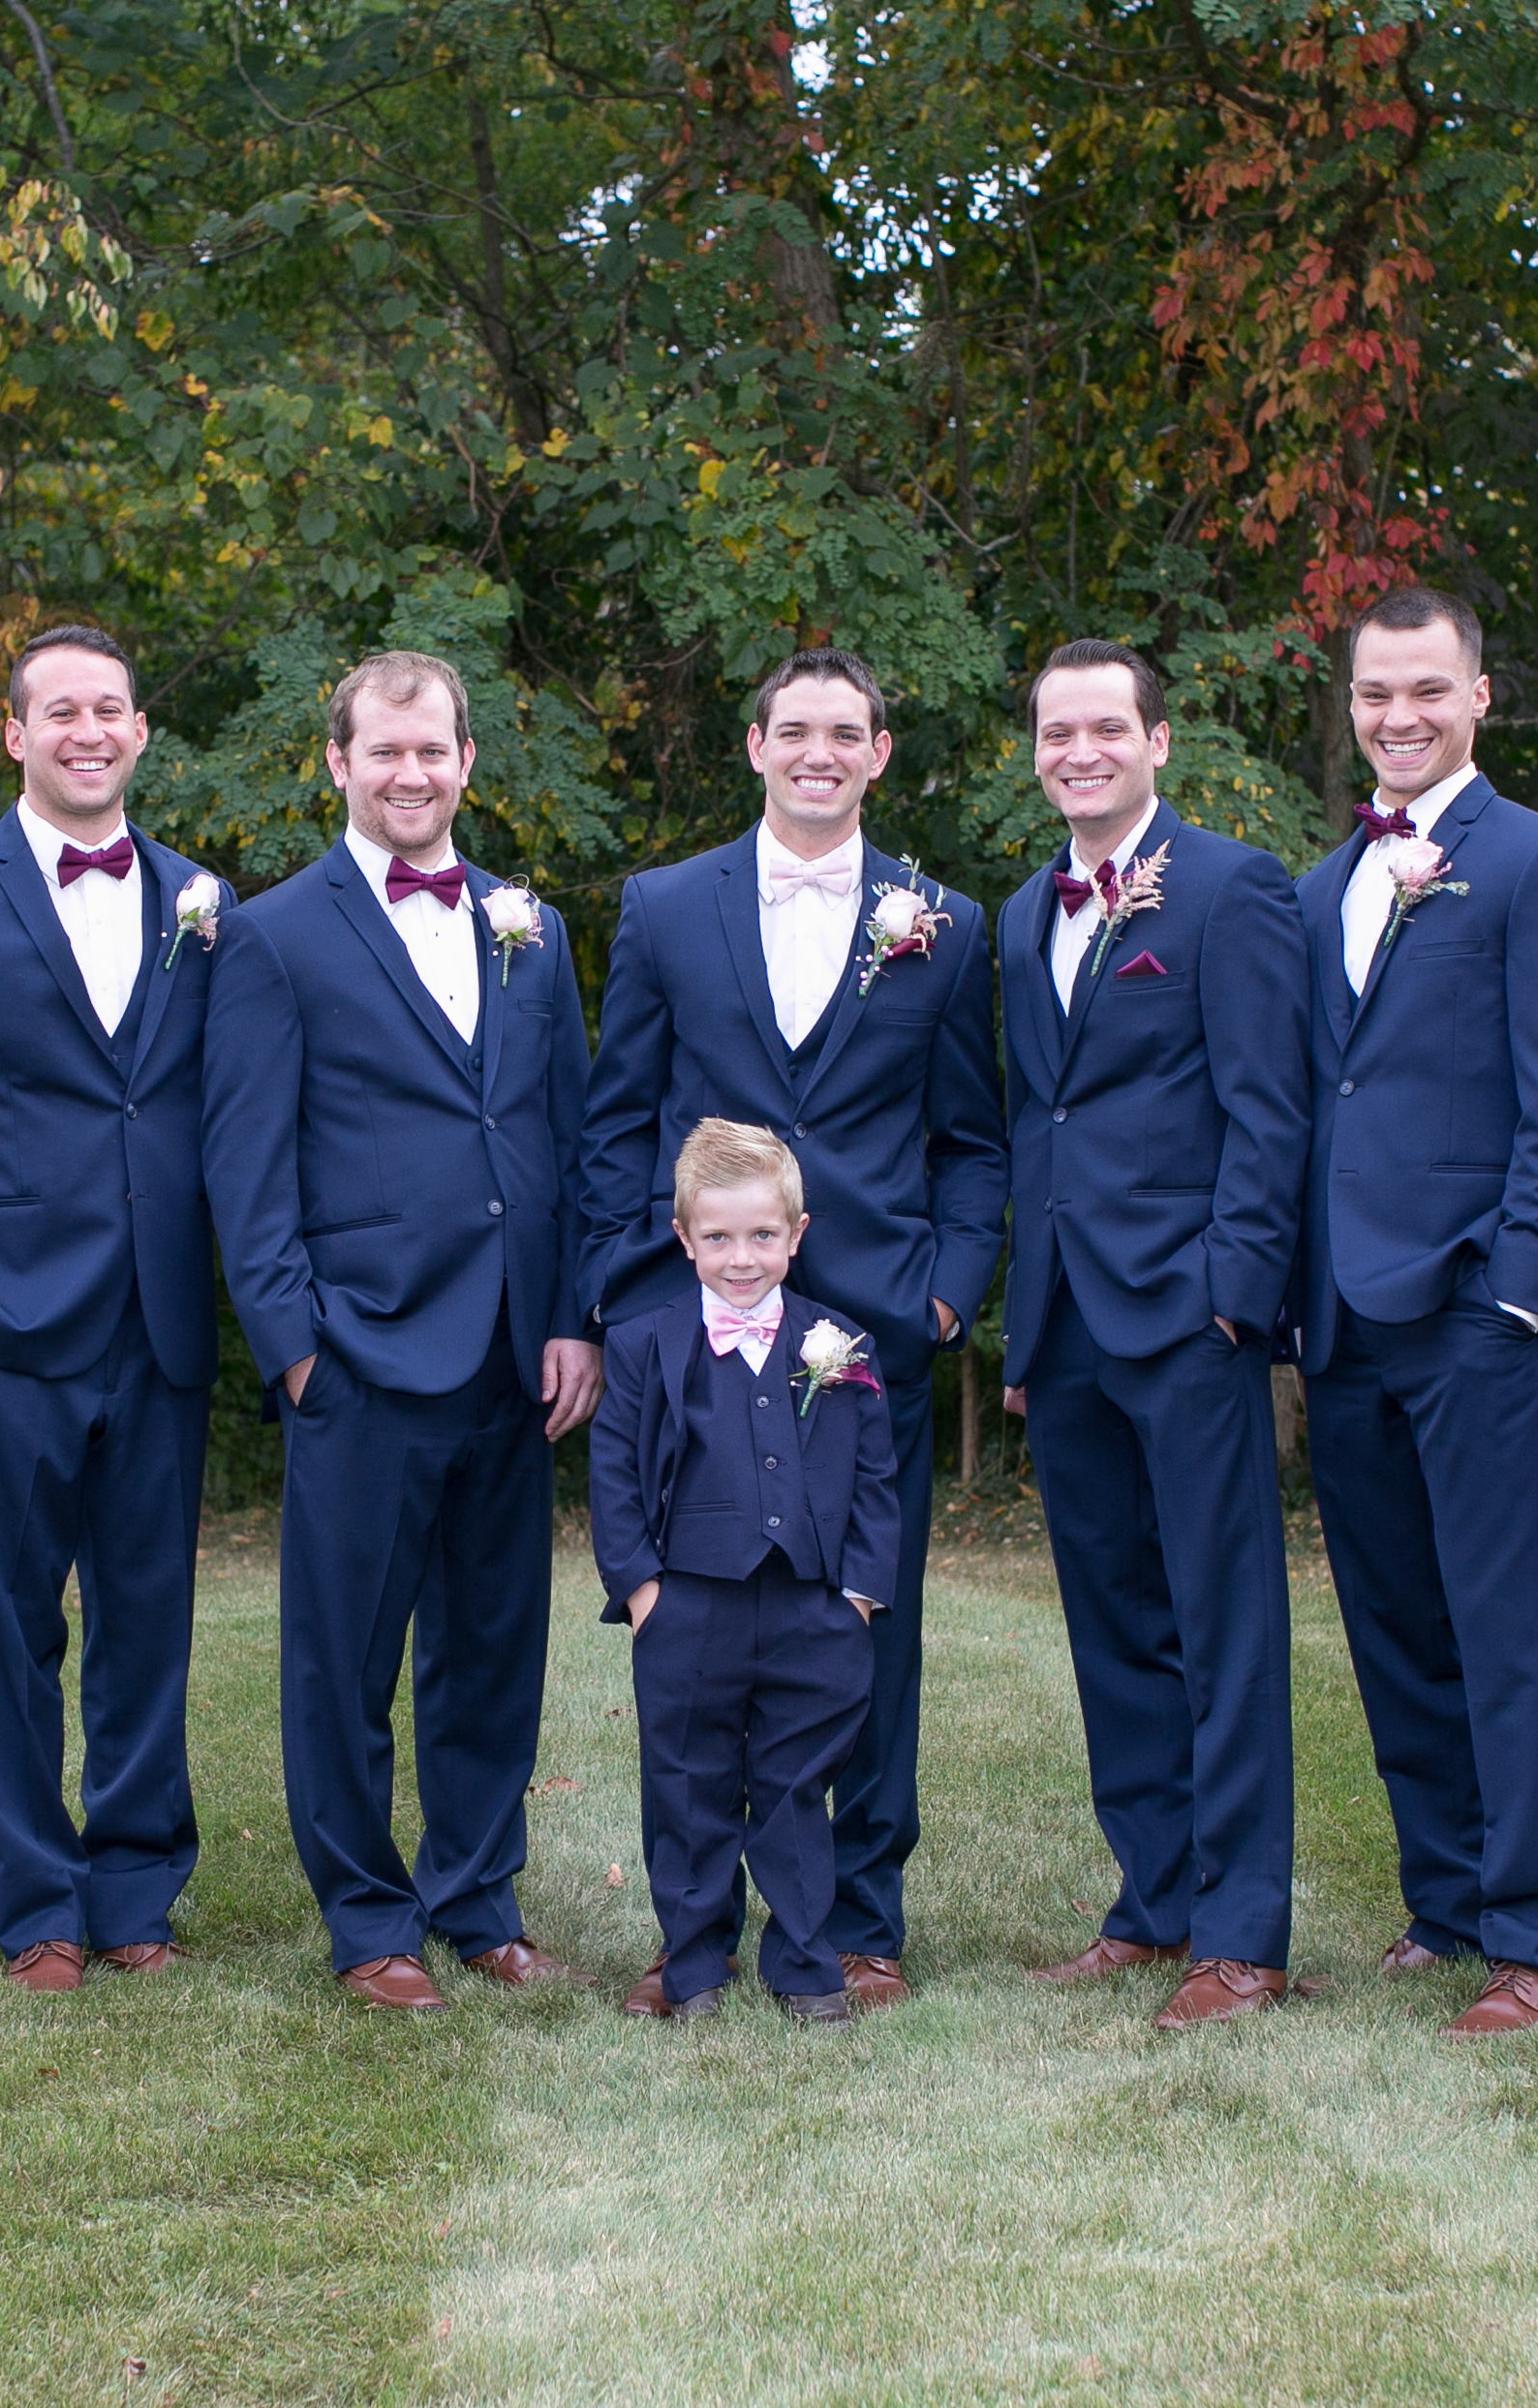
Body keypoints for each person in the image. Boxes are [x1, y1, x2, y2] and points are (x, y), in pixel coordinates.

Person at [576, 647, 1003, 2015]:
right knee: (695, 1647)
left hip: (866, 1320)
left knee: (864, 1624)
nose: (818, 751)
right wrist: (625, 1298)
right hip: (698, 1326)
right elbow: (615, 1117)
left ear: (879, 753)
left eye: (846, 732)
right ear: (753, 744)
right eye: (793, 730)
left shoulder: (944, 921)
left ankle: (857, 1920)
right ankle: (688, 1927)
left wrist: (944, 1285)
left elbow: (973, 1135)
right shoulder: (661, 905)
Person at [200, 649, 601, 2011]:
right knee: (342, 1657)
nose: (411, 773)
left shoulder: (526, 925)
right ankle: (367, 1918)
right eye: (384, 751)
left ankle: (477, 1896)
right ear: (337, 763)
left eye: (432, 751)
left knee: (492, 1646)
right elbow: (243, 1161)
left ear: (467, 762)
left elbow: (562, 1132)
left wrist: (567, 1317)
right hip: (359, 1352)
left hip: (509, 1352)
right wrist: (294, 1344)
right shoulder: (272, 931)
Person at [0, 626, 224, 1991]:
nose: (86, 729)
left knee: (146, 1616)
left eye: (108, 708)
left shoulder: (200, 900)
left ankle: (133, 1891)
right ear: (11, 734)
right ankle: (37, 1909)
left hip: (159, 1319)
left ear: (137, 733)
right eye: (57, 710)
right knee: (6, 1628)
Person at [1292, 587, 1538, 2037]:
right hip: (1349, 1318)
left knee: (1506, 1628)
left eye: (1426, 689)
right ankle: (1445, 1901)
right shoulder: (1319, 888)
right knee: (1396, 1625)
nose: (1398, 716)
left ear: (1478, 695)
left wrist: (1523, 1296)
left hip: (1484, 1315)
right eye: (1374, 693)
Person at [993, 638, 1311, 2031]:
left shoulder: (1233, 888)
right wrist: (1018, 1326)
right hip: (1064, 1317)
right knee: (1112, 1619)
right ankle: (1151, 1899)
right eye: (1056, 731)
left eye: (1104, 727)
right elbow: (1033, 1117)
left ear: (1157, 740)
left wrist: (1231, 1292)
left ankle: (1240, 1931)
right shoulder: (1021, 915)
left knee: (1221, 1621)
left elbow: (1267, 1106)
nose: (1079, 750)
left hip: (1186, 1312)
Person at [591, 1122, 900, 2026]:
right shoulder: (645, 1344)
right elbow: (612, 1475)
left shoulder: (840, 1344)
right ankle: (691, 1966)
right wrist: (644, 1591)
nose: (739, 1258)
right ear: (682, 1238)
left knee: (796, 1789)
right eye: (716, 1238)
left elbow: (876, 1480)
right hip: (688, 1605)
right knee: (688, 1788)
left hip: (812, 1607)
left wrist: (857, 1597)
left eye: (762, 1236)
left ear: (797, 1234)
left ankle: (804, 1964)